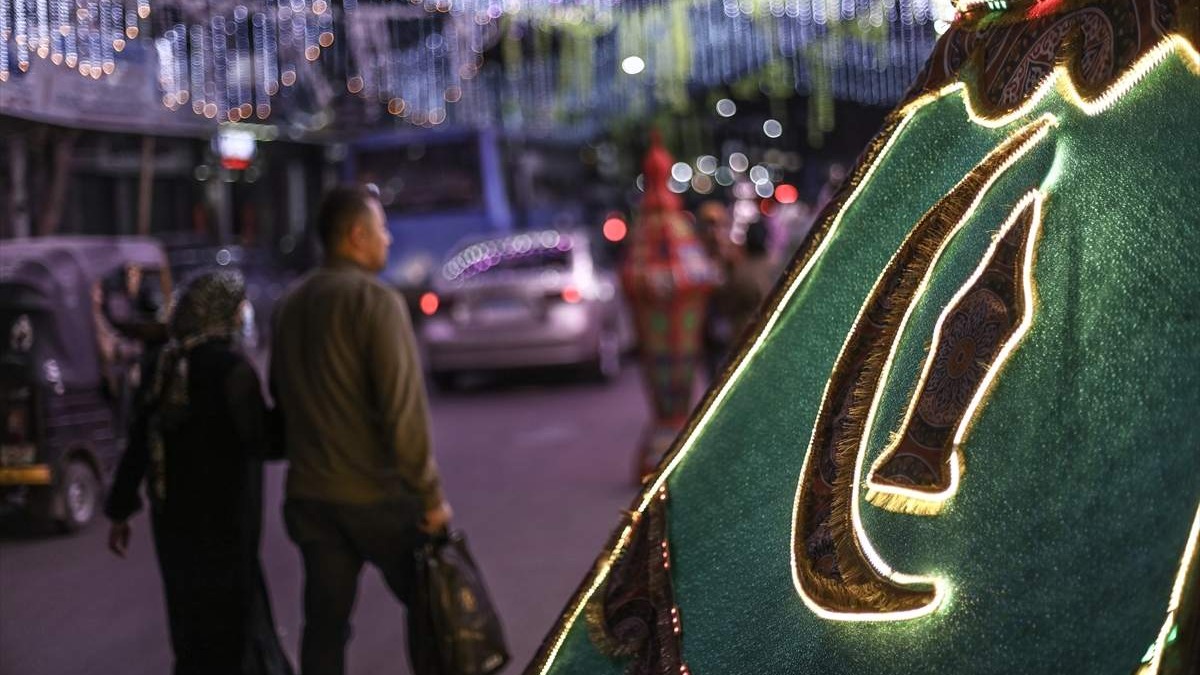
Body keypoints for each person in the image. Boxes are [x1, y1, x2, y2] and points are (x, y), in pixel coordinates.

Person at [271, 185, 452, 675]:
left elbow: (281, 401)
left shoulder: (290, 304)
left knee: (325, 628)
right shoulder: (376, 301)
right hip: (376, 499)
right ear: (356, 236)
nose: (388, 240)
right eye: (381, 230)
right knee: (434, 612)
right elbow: (403, 411)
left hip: (311, 499)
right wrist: (430, 497)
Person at [105, 270, 293, 675]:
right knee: (230, 627)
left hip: (172, 523)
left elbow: (138, 440)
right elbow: (263, 443)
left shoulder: (162, 365)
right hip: (225, 524)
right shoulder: (231, 371)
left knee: (188, 621)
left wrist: (120, 511)